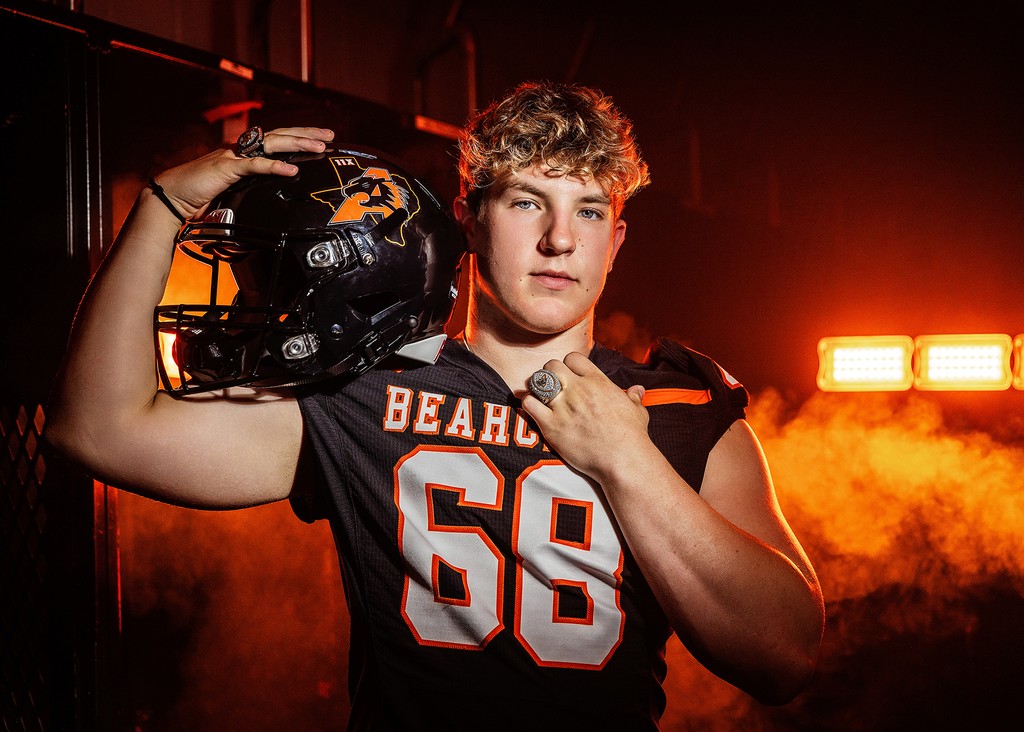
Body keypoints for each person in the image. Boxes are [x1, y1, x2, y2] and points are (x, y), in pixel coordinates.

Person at [46, 81, 824, 730]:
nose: (560, 240)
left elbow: (783, 657)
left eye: (588, 211)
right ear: (470, 221)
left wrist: (627, 460)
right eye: (528, 203)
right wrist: (160, 207)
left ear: (615, 240)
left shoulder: (680, 405)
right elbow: (97, 430)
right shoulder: (367, 388)